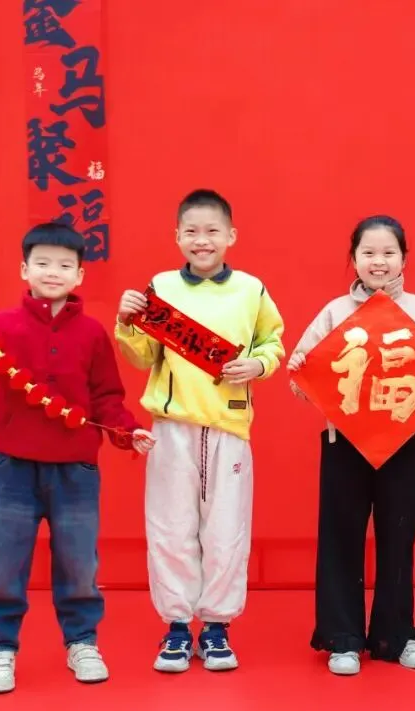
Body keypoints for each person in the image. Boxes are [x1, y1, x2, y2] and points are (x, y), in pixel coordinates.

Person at [0, 222, 156, 695]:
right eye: (43, 263)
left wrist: (127, 431)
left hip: (76, 469)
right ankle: (0, 648)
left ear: (80, 275)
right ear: (24, 269)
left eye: (64, 265)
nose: (53, 272)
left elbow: (106, 397)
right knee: (5, 561)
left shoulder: (92, 333)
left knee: (79, 562)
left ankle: (82, 642)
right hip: (11, 467)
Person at [286, 215, 415, 675]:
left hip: (404, 444)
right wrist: (299, 367)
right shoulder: (334, 313)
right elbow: (302, 381)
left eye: (389, 252)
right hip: (343, 443)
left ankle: (397, 634)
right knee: (340, 538)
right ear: (353, 259)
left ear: (404, 258)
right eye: (368, 253)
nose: (378, 261)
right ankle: (343, 637)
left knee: (398, 538)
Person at [115, 189, 285, 674]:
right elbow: (143, 356)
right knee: (169, 528)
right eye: (191, 231)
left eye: (212, 231)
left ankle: (216, 627)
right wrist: (127, 322)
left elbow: (273, 341)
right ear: (177, 237)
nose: (202, 240)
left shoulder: (251, 290)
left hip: (229, 427)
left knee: (227, 530)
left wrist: (259, 364)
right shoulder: (161, 287)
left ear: (231, 236)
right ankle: (175, 626)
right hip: (172, 427)